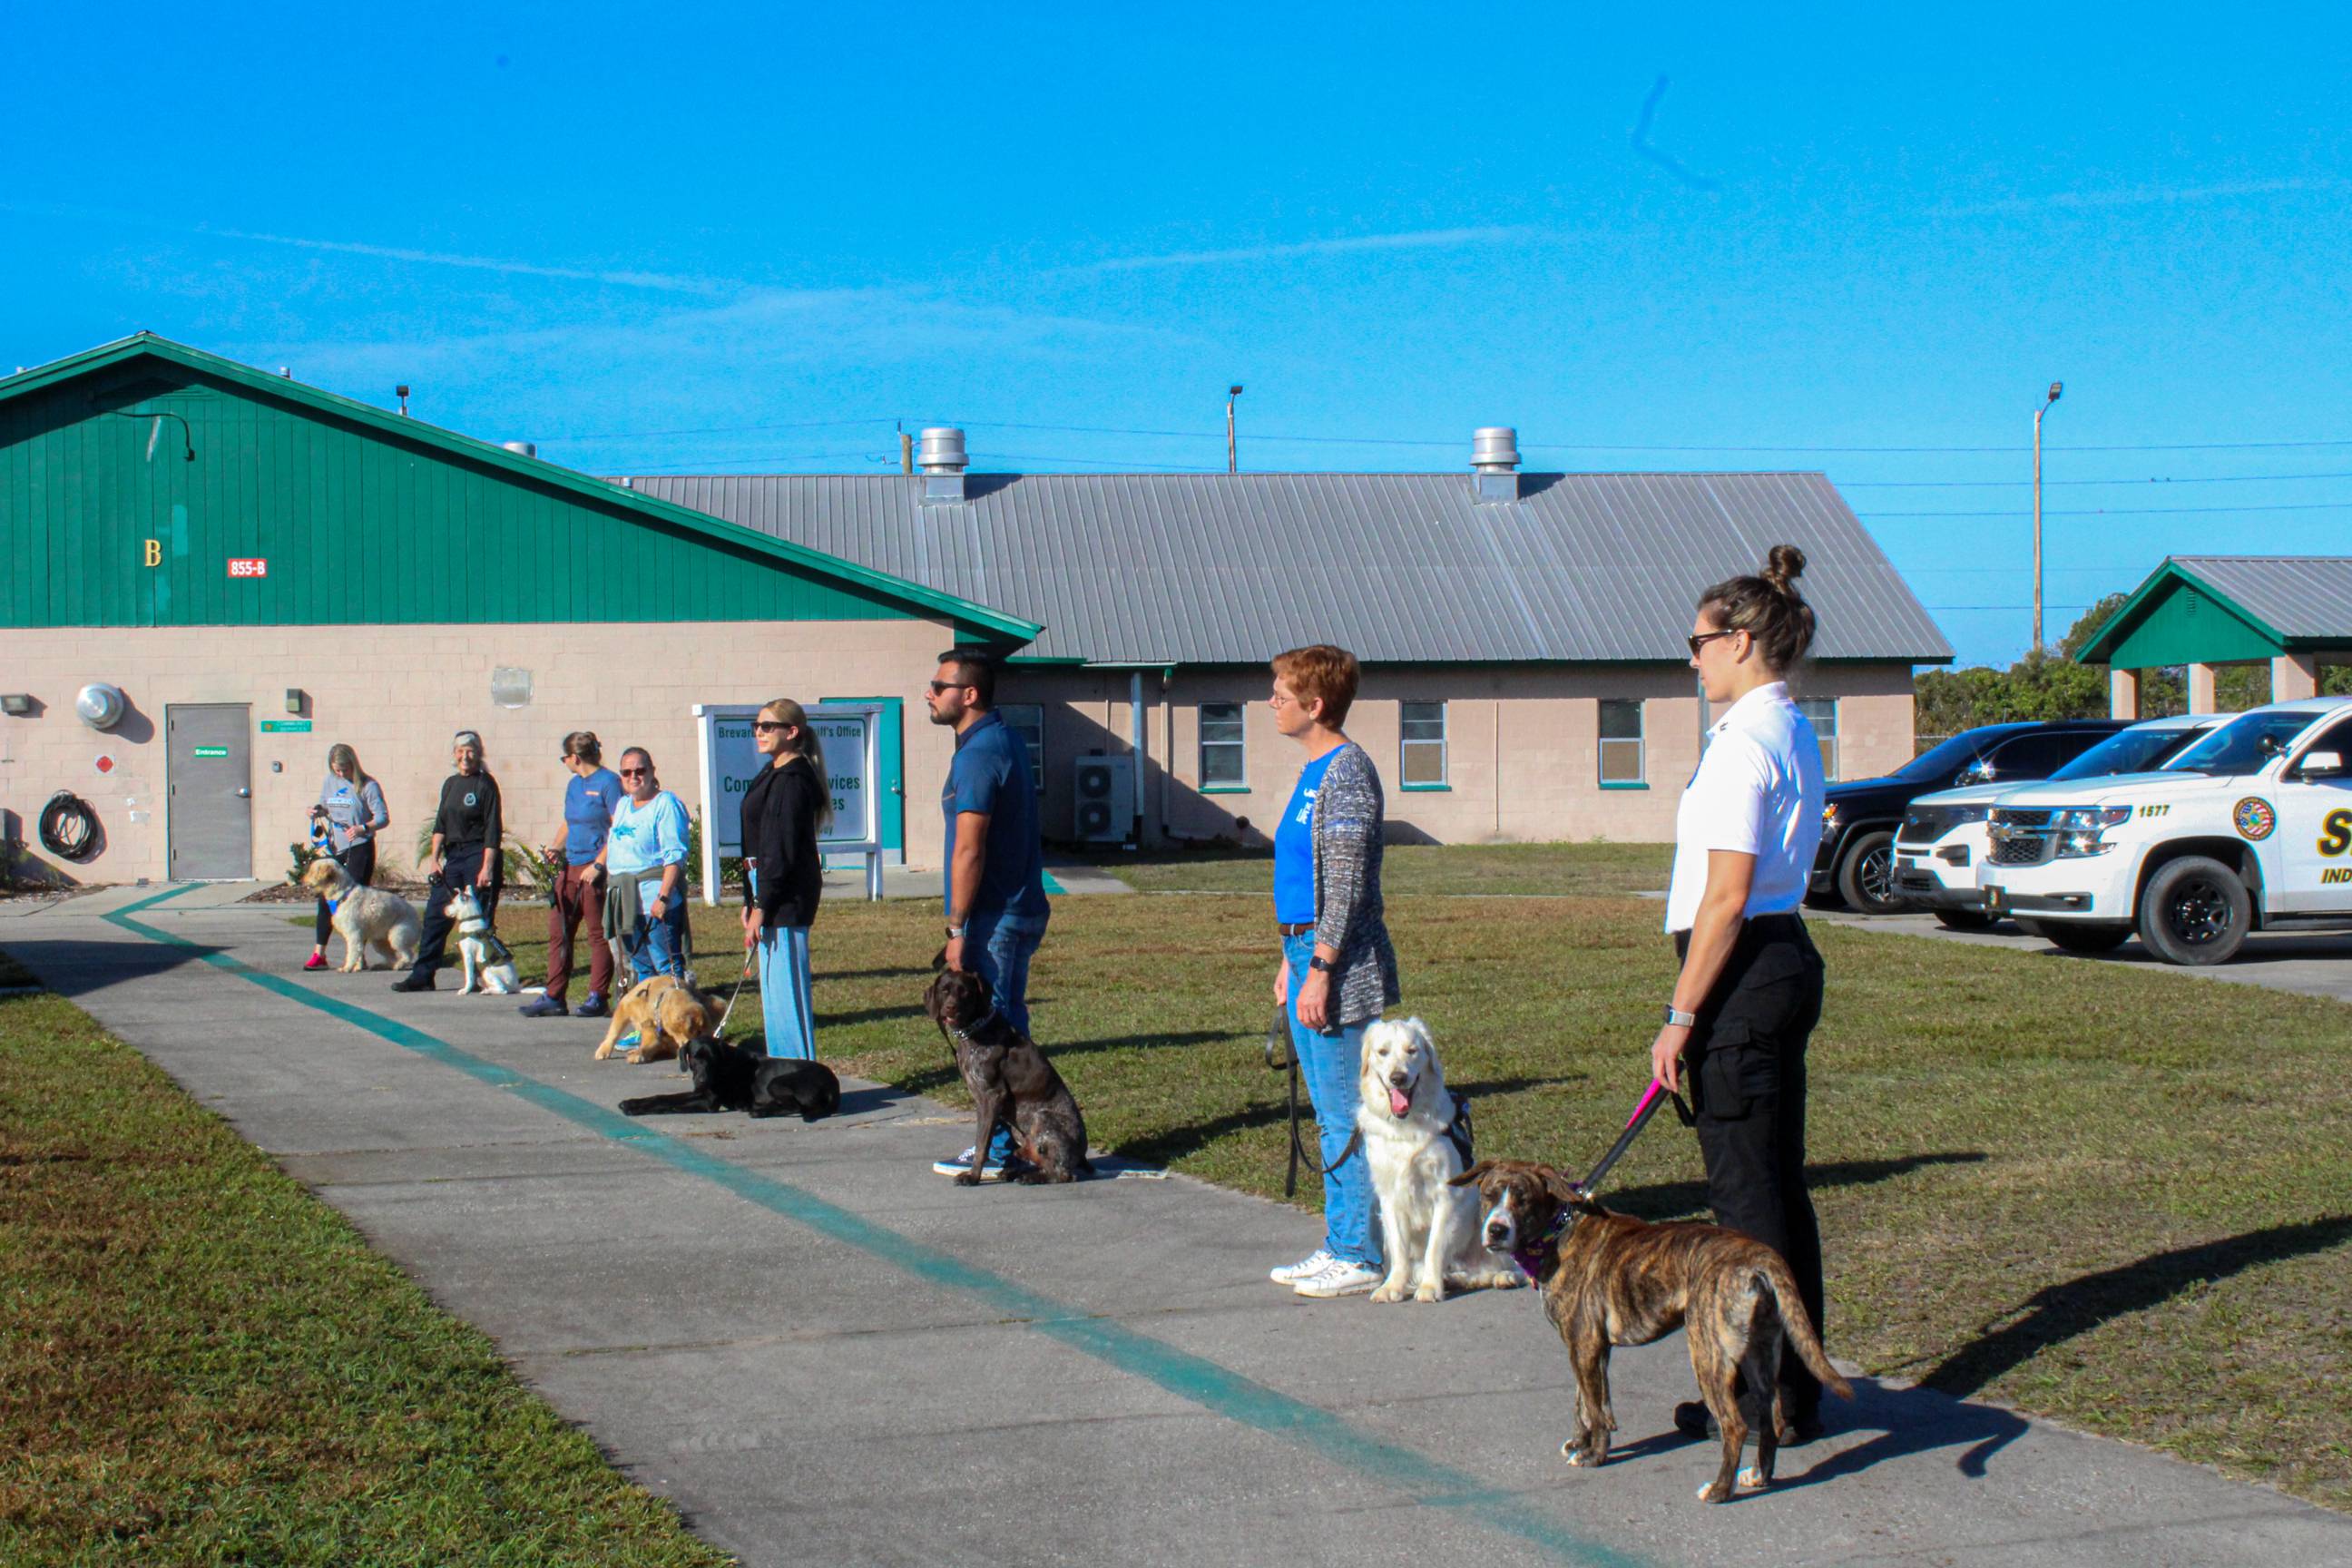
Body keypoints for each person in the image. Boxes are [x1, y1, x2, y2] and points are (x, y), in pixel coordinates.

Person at [1652, 544, 1830, 1444]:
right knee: (1777, 1192)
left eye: (1699, 639)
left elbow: (1724, 896)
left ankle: (1759, 1404)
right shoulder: (1791, 728)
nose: (1691, 657)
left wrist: (1681, 1016)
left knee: (1747, 1209)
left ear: (1743, 640)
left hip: (1744, 969)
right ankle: (1794, 1391)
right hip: (1781, 958)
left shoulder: (1741, 749)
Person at [1262, 645, 1398, 1299]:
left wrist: (1319, 967)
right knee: (1328, 1111)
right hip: (1304, 952)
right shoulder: (1312, 769)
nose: (1272, 703)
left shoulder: (1346, 772)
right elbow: (1301, 874)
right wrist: (1289, 964)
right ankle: (1340, 1241)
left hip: (1336, 960)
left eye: (1281, 695)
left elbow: (1344, 884)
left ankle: (1359, 1252)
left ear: (1316, 705)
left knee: (1345, 1112)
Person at [925, 646, 1050, 1180]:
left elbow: (968, 848)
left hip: (994, 916)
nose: (929, 694)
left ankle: (996, 1152)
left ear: (968, 694)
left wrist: (956, 927)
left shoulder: (977, 754)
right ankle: (1026, 1143)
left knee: (988, 1039)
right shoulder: (1004, 740)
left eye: (938, 686)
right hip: (1019, 908)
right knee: (1010, 1031)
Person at [740, 700, 828, 1060]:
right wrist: (751, 900)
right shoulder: (772, 772)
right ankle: (782, 1067)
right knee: (774, 996)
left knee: (786, 994)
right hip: (769, 896)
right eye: (756, 726)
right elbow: (759, 844)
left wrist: (763, 905)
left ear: (792, 733)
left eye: (767, 726)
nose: (759, 733)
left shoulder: (792, 780)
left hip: (786, 901)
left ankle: (797, 1070)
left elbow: (781, 851)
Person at [520, 731, 622, 1019]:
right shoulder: (573, 785)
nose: (564, 762)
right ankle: (554, 995)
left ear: (574, 758)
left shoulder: (609, 783)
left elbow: (619, 827)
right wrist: (556, 847)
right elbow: (569, 820)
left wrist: (600, 864)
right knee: (559, 931)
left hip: (594, 868)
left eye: (564, 757)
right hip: (571, 867)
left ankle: (597, 996)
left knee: (597, 934)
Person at [392, 731, 504, 993]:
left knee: (478, 920)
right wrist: (434, 859)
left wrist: (487, 866)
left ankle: (481, 978)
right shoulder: (451, 784)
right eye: (460, 751)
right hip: (454, 857)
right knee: (435, 915)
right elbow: (440, 824)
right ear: (454, 755)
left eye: (470, 751)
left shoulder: (485, 784)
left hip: (478, 855)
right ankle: (423, 975)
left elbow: (492, 830)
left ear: (478, 754)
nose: (465, 757)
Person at [601, 748, 691, 985]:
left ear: (652, 772)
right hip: (626, 902)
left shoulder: (666, 804)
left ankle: (675, 1016)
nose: (634, 777)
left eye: (640, 770)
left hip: (653, 900)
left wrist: (663, 898)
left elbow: (675, 857)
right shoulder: (622, 805)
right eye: (626, 772)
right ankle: (650, 1020)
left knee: (665, 965)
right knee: (641, 967)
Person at [304, 743, 388, 971]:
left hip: (359, 847)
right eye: (337, 770)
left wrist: (363, 827)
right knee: (325, 899)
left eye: (345, 769)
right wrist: (317, 811)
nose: (341, 774)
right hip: (335, 848)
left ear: (353, 764)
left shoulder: (368, 786)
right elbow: (325, 804)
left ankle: (358, 956)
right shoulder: (330, 781)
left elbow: (382, 817)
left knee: (354, 904)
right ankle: (319, 954)